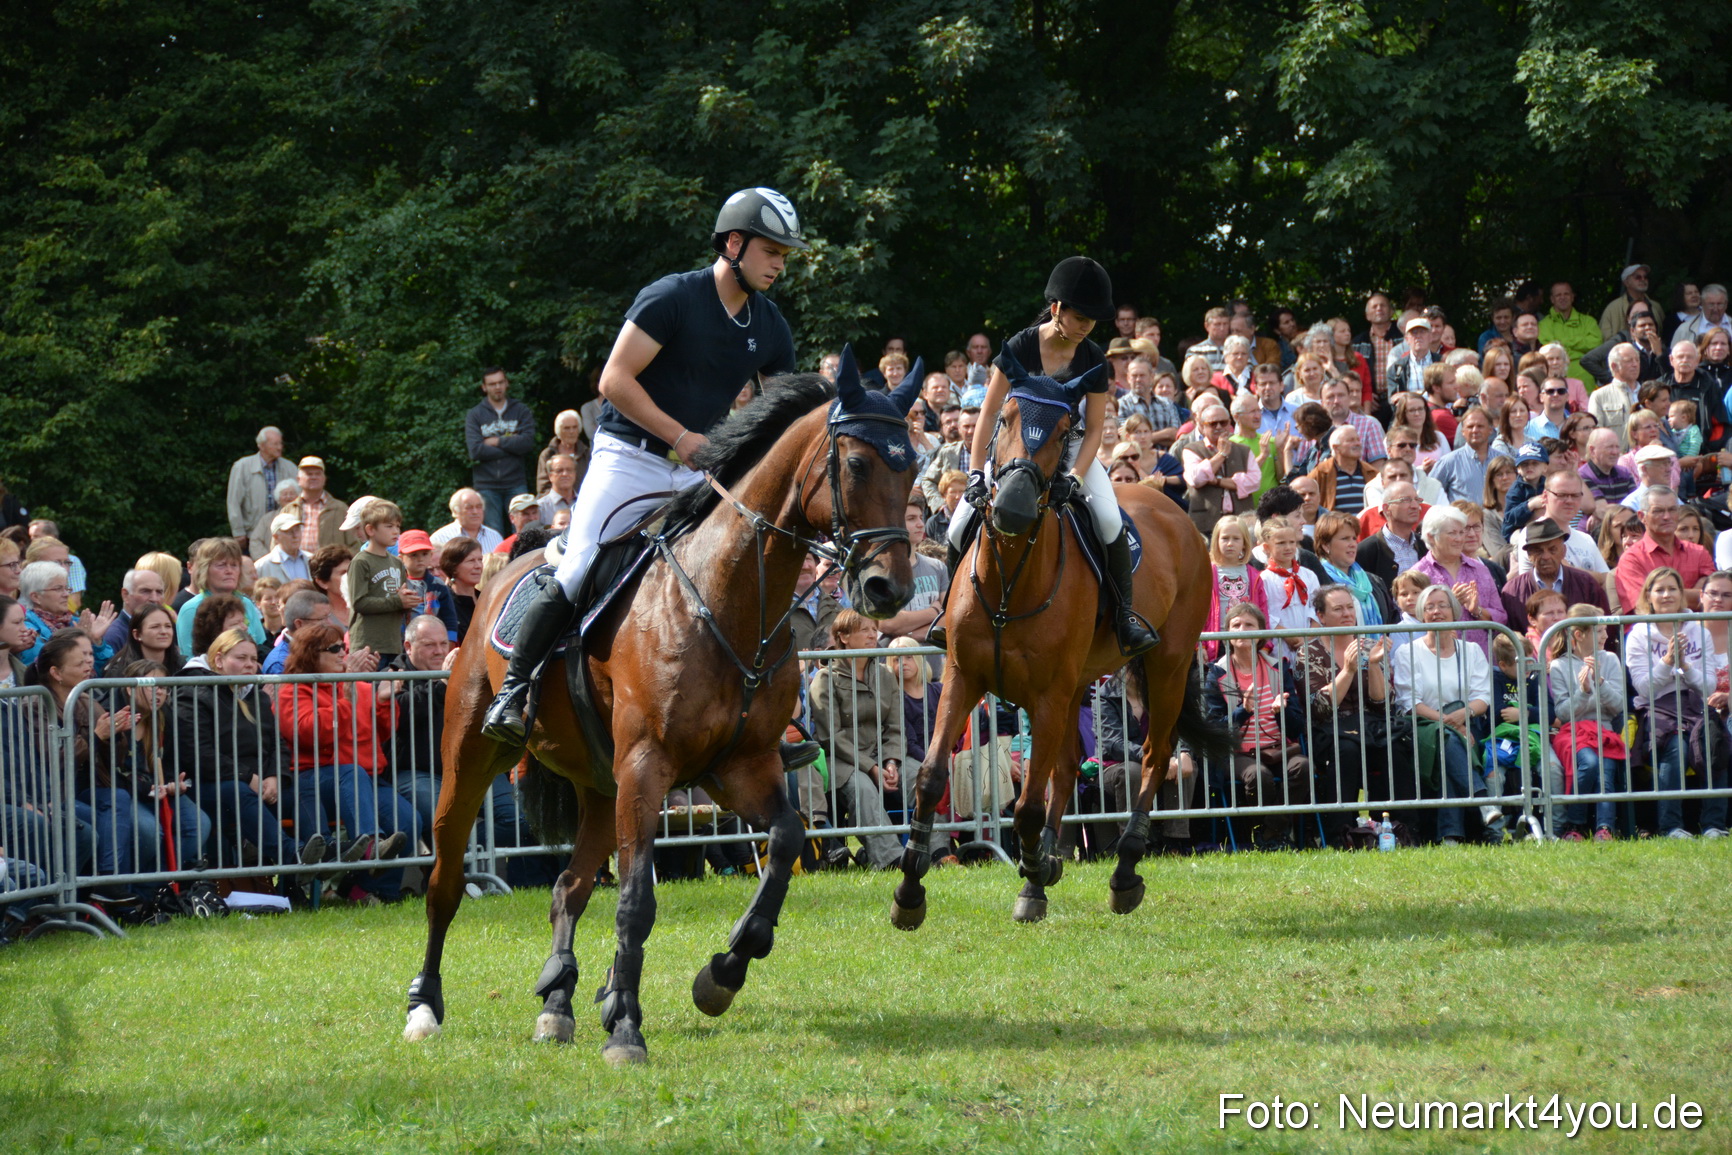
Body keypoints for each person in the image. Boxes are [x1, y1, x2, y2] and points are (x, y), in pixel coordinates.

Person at [483, 187, 807, 743]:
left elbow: (786, 413)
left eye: (784, 254)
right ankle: (513, 691)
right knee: (580, 566)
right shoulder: (673, 297)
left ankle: (771, 722)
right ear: (734, 243)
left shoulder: (770, 325)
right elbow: (614, 380)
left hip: (699, 467)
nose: (779, 263)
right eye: (771, 250)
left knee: (740, 571)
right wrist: (682, 437)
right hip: (628, 457)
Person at [952, 256, 1157, 657]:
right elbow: (990, 413)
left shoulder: (1094, 357)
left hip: (1069, 447)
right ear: (1057, 308)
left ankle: (1123, 616)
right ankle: (949, 612)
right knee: (958, 526)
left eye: (1092, 321)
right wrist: (976, 472)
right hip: (1015, 448)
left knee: (1110, 519)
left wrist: (1076, 477)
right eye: (1080, 317)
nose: (1085, 327)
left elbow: (1095, 427)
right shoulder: (1020, 345)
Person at [274, 623, 409, 901]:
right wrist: (345, 699)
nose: (342, 654)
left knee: (407, 820)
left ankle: (369, 890)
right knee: (350, 773)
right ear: (312, 654)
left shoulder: (355, 684)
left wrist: (385, 701)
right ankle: (369, 846)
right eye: (335, 649)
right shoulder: (293, 689)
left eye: (344, 648)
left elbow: (383, 732)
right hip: (314, 780)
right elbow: (310, 733)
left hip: (363, 779)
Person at [1391, 585, 1499, 845]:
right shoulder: (1408, 652)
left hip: (1466, 723)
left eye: (1442, 605)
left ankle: (1450, 835)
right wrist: (1450, 724)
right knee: (1447, 739)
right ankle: (1484, 803)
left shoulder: (1471, 650)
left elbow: (1483, 698)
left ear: (1454, 611)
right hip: (1423, 725)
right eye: (1429, 607)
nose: (1436, 611)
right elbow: (1411, 702)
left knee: (1448, 743)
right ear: (1421, 613)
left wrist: (1461, 717)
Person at [1625, 568, 1728, 838]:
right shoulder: (1638, 634)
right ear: (1649, 595)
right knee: (1676, 748)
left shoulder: (1698, 630)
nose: (1666, 594)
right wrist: (1668, 661)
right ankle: (1671, 826)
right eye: (1659, 589)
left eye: (1672, 588)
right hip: (1657, 707)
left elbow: (1707, 685)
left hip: (1694, 703)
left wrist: (1685, 665)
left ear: (1682, 594)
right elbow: (1644, 688)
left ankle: (1714, 824)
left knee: (1713, 741)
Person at [1199, 602, 1311, 849]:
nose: (1242, 630)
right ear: (1226, 633)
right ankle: (1273, 834)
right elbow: (1214, 728)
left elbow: (1296, 728)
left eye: (1249, 625)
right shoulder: (1215, 672)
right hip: (1237, 753)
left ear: (1261, 632)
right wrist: (1243, 712)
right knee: (1258, 776)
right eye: (1235, 625)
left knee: (1302, 767)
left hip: (1278, 747)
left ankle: (1269, 832)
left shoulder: (1278, 666)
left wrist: (1281, 713)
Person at [798, 611, 905, 869]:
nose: (872, 635)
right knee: (863, 786)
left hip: (881, 756)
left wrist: (891, 762)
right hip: (840, 761)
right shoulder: (826, 678)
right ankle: (891, 860)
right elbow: (830, 737)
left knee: (921, 776)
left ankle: (936, 852)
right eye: (864, 629)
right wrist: (871, 767)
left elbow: (895, 727)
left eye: (874, 629)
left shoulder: (885, 675)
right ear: (843, 637)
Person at [1299, 584, 1394, 846]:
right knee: (1348, 751)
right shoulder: (1308, 653)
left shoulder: (1370, 645)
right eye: (1337, 608)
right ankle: (1341, 832)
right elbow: (1318, 708)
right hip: (1329, 731)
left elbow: (1383, 704)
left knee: (1394, 746)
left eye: (1350, 607)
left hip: (1370, 727)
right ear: (1321, 616)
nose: (1346, 613)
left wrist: (1373, 664)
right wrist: (1348, 671)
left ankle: (1391, 826)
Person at [1547, 604, 1627, 841]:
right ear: (1579, 635)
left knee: (1605, 768)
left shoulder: (1610, 659)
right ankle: (1575, 824)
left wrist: (1600, 684)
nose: (1605, 635)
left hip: (1605, 730)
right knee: (1590, 763)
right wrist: (1582, 691)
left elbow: (1618, 706)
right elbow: (1563, 712)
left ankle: (1605, 828)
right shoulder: (1560, 666)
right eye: (1599, 630)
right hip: (1574, 732)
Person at [1498, 517, 1610, 633]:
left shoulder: (1586, 583)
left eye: (1552, 550)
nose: (1546, 556)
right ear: (1529, 555)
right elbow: (1508, 639)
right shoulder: (1512, 592)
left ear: (1563, 551)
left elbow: (1607, 628)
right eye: (1538, 551)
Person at [1614, 486, 1714, 613]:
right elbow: (1643, 606)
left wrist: (1661, 597)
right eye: (1658, 511)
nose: (1667, 516)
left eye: (1672, 510)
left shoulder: (1699, 552)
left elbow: (1715, 598)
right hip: (1651, 632)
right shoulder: (1631, 559)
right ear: (1641, 516)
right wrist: (1698, 595)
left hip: (1696, 631)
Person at [464, 366, 536, 534]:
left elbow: (526, 443)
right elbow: (475, 450)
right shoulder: (475, 415)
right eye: (492, 384)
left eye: (500, 383)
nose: (497, 387)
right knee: (491, 533)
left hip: (516, 482)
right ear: (484, 387)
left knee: (523, 531)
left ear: (506, 383)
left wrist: (496, 441)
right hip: (486, 485)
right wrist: (512, 446)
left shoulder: (521, 410)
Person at [342, 499, 415, 660]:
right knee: (369, 686)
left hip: (394, 644)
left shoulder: (397, 562)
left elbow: (398, 601)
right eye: (389, 526)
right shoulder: (361, 561)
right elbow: (359, 602)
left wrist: (408, 603)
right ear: (370, 529)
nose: (395, 531)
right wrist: (398, 601)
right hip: (367, 646)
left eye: (397, 526)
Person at [174, 538, 267, 655]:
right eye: (221, 565)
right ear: (205, 569)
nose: (229, 571)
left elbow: (261, 647)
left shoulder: (246, 604)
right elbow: (189, 658)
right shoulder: (191, 609)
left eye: (234, 565)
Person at [17, 560, 114, 668]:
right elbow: (45, 669)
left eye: (67, 588)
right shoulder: (27, 630)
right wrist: (78, 642)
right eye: (58, 589)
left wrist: (96, 641)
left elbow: (107, 670)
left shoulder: (78, 623)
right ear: (36, 597)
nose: (66, 594)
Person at [1181, 401, 1258, 536]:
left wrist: (1216, 481)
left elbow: (1254, 482)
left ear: (1230, 424)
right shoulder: (1191, 450)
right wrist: (1221, 454)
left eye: (1223, 423)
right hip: (1206, 524)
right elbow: (1196, 479)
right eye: (1212, 424)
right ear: (1203, 427)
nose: (1218, 427)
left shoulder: (1244, 450)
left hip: (1241, 523)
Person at [1203, 516, 1266, 657]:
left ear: (1244, 543)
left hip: (1247, 641)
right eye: (1225, 538)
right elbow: (1197, 612)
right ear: (1216, 541)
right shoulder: (1206, 573)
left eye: (1236, 539)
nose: (1230, 543)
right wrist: (1200, 645)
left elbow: (1262, 611)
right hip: (1216, 642)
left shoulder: (1254, 575)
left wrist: (1265, 644)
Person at [1315, 512, 1392, 625]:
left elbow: (1391, 619)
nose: (1352, 544)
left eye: (1354, 538)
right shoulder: (1317, 581)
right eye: (1345, 539)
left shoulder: (1374, 581)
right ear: (1326, 545)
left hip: (1378, 643)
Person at [279, 457, 357, 554]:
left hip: (330, 567)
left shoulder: (340, 509)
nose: (313, 477)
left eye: (318, 474)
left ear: (324, 479)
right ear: (298, 480)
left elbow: (354, 544)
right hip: (296, 566)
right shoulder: (288, 510)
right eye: (309, 474)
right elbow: (277, 543)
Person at [226, 425, 286, 550]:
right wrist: (238, 532)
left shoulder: (290, 468)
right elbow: (234, 502)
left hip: (282, 534)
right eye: (275, 444)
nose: (280, 447)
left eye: (280, 443)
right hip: (251, 535)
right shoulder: (242, 467)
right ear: (261, 445)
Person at [397, 529, 460, 642]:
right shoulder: (397, 584)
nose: (420, 559)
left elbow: (449, 617)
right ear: (401, 558)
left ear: (431, 555)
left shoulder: (438, 585)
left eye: (425, 554)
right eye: (414, 555)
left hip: (432, 641)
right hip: (401, 642)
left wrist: (450, 641)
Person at [103, 604, 184, 678]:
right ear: (137, 634)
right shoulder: (119, 671)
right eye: (155, 627)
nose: (164, 631)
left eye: (168, 626)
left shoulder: (183, 667)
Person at [101, 567, 168, 655]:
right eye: (146, 591)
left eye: (159, 592)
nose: (154, 599)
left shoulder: (165, 632)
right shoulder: (114, 636)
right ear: (125, 595)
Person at [535, 408, 590, 497]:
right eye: (567, 428)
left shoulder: (587, 454)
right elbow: (543, 486)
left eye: (574, 427)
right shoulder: (548, 454)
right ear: (558, 431)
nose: (571, 432)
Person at [429, 488, 503, 554]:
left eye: (479, 507)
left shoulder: (495, 537)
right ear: (455, 511)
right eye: (469, 508)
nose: (475, 512)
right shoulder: (440, 538)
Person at [440, 537, 484, 644]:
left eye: (480, 560)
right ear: (453, 567)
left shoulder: (486, 599)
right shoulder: (445, 603)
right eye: (471, 561)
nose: (478, 566)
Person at [255, 510, 313, 583]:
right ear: (276, 537)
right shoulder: (262, 566)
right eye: (289, 531)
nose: (295, 536)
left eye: (297, 530)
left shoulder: (312, 560)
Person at [1599, 264, 1652, 339]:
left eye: (1645, 277)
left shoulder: (1656, 307)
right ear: (1626, 282)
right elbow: (1605, 338)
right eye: (1638, 277)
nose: (1643, 279)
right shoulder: (1612, 308)